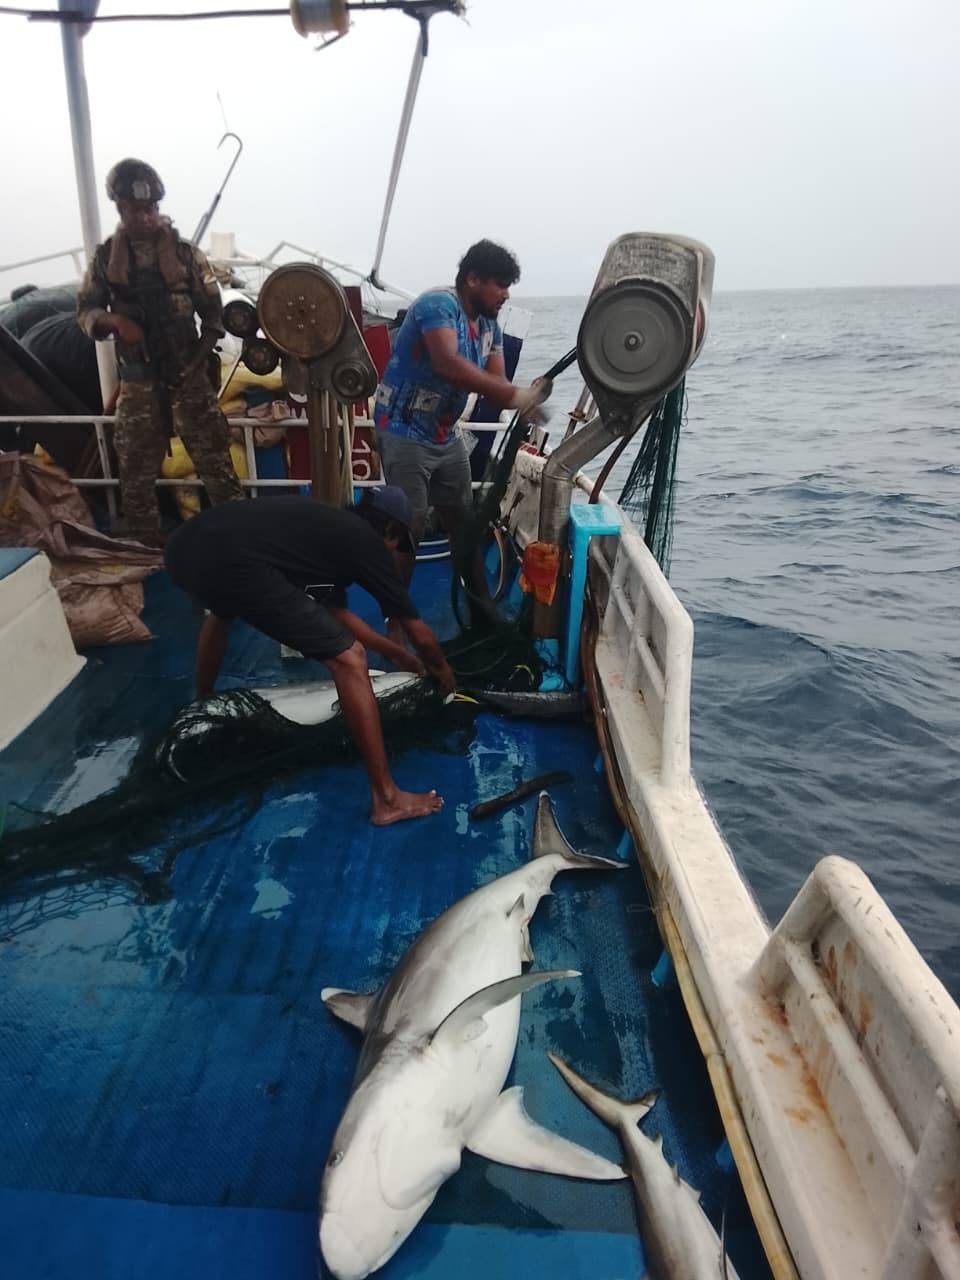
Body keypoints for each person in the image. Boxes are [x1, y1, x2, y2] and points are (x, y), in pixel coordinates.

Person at [164, 488, 457, 827]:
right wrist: (442, 671)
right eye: (400, 545)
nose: (396, 552)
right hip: (235, 560)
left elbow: (338, 617)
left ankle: (201, 705)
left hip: (182, 550)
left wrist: (397, 654)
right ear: (390, 531)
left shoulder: (328, 533)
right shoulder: (367, 542)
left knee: (222, 611)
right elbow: (418, 632)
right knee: (350, 660)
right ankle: (387, 799)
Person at [373, 239, 548, 610]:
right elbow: (447, 364)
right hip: (402, 429)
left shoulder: (489, 327)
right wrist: (513, 395)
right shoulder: (437, 305)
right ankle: (397, 621)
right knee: (409, 526)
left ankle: (481, 607)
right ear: (472, 279)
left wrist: (527, 397)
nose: (506, 294)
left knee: (463, 522)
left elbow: (498, 388)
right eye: (500, 285)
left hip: (445, 435)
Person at [76, 157, 242, 543]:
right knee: (134, 475)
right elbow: (85, 312)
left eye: (150, 208)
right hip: (137, 385)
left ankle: (238, 541)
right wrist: (116, 322)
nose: (145, 217)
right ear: (120, 208)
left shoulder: (185, 255)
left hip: (189, 380)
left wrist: (195, 362)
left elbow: (213, 315)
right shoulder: (106, 260)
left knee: (218, 468)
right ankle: (146, 550)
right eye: (135, 209)